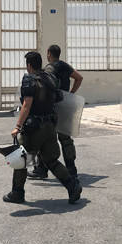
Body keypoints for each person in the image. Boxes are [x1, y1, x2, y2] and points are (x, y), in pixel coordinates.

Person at [4, 51, 82, 204]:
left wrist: (18, 126)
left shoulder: (29, 79)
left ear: (29, 65)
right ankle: (72, 186)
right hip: (50, 125)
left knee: (21, 159)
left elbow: (27, 104)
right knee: (51, 160)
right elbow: (59, 97)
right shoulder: (50, 78)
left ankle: (17, 193)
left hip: (34, 128)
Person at [28, 44, 84, 179]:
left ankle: (41, 170)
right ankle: (71, 169)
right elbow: (79, 78)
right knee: (65, 138)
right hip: (65, 105)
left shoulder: (49, 69)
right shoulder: (64, 65)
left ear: (48, 54)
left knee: (45, 137)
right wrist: (70, 94)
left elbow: (46, 86)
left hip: (53, 107)